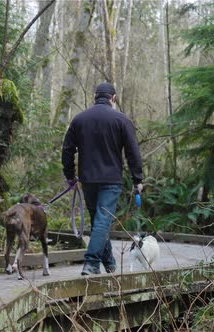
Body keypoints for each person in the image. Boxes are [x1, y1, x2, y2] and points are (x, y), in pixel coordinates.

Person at [62, 82, 143, 275]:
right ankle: (91, 263)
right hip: (111, 180)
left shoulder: (79, 119)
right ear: (113, 98)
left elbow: (67, 149)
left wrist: (70, 175)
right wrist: (137, 179)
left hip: (88, 180)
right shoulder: (121, 119)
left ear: (95, 97)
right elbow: (133, 152)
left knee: (99, 221)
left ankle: (109, 263)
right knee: (102, 221)